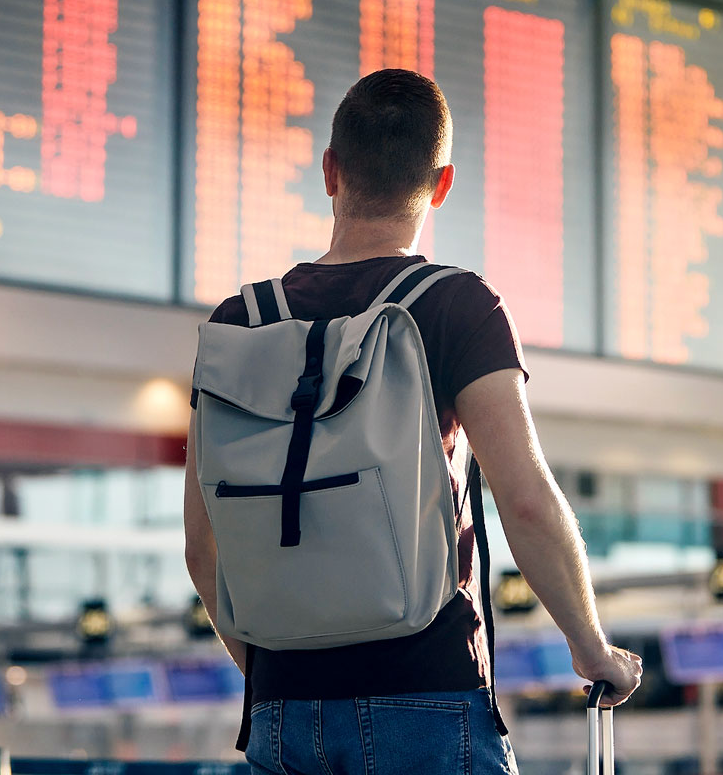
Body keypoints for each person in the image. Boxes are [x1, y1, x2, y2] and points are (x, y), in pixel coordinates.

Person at [184, 69, 642, 775]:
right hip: (426, 690)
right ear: (442, 183)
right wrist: (592, 647)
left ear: (330, 169)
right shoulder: (456, 305)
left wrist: (278, 674)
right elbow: (525, 497)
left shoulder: (236, 323)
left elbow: (203, 549)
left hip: (281, 709)